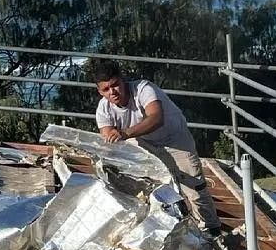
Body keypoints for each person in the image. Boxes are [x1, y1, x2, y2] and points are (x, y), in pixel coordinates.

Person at [92, 61, 219, 229]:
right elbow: (108, 136)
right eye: (106, 89)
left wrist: (124, 133)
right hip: (143, 142)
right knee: (145, 187)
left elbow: (156, 118)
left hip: (175, 140)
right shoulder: (103, 109)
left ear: (123, 81)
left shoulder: (143, 89)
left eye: (115, 85)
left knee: (194, 186)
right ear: (99, 91)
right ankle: (161, 226)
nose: (112, 92)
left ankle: (210, 228)